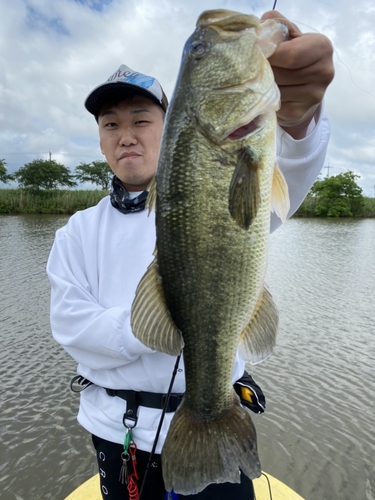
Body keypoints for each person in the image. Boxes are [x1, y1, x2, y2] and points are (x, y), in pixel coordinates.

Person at [47, 11, 334, 500]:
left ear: (172, 123)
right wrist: (169, 323)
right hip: (119, 437)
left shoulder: (222, 173)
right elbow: (72, 327)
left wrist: (301, 119)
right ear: (99, 139)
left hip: (219, 414)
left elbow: (288, 172)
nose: (126, 134)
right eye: (111, 124)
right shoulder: (76, 232)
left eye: (142, 119)